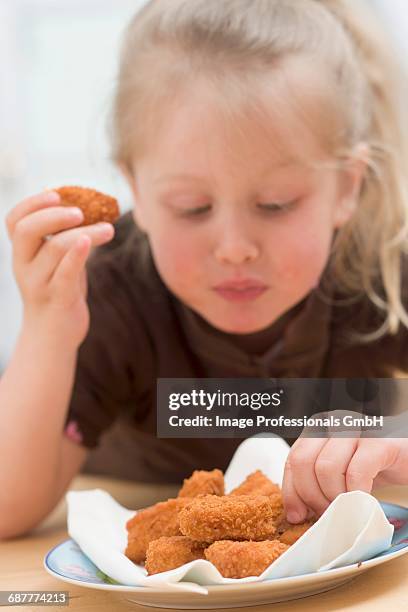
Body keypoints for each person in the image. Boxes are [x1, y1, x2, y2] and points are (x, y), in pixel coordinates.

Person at [1, 0, 408, 538]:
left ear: (346, 188)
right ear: (138, 190)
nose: (235, 249)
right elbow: (7, 509)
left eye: (276, 204)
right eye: (192, 207)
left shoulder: (379, 265)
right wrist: (47, 329)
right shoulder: (112, 287)